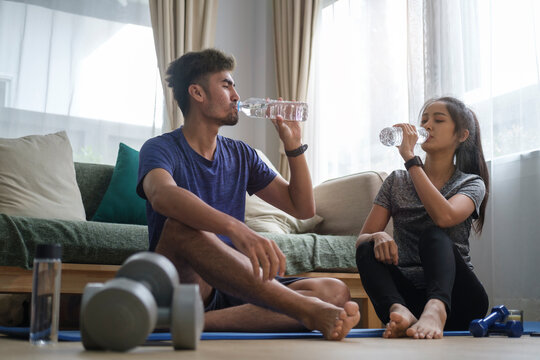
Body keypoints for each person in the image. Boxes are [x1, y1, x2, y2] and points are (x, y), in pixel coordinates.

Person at [136, 48, 360, 340]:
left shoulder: (241, 154)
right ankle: (304, 311)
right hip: (186, 281)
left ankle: (190, 323)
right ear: (197, 93)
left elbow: (302, 208)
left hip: (234, 282)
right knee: (179, 226)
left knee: (333, 290)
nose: (236, 96)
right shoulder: (160, 148)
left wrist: (293, 146)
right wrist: (234, 227)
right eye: (227, 85)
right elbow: (162, 195)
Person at [355, 96, 489, 339]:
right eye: (424, 120)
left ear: (461, 136)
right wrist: (378, 236)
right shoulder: (396, 181)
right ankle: (399, 311)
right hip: (409, 296)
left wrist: (410, 160)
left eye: (438, 120)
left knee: (434, 235)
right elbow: (361, 240)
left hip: (458, 299)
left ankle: (436, 308)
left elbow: (445, 217)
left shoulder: (471, 183)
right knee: (366, 248)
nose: (427, 126)